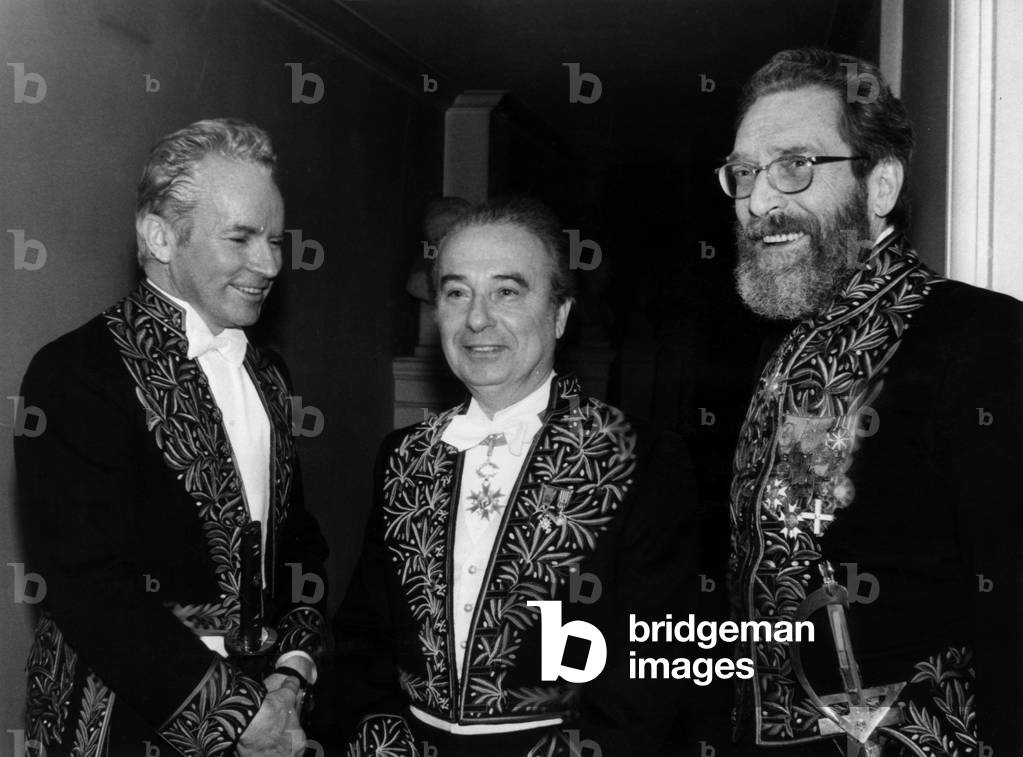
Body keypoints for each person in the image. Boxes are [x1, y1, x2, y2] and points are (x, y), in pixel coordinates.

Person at [718, 49, 1023, 755]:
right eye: (742, 173)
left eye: (793, 164)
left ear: (879, 184)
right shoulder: (778, 354)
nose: (759, 202)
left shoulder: (984, 341)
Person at [334, 197, 699, 756]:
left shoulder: (638, 458)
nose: (478, 318)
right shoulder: (403, 456)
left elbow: (654, 665)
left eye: (507, 291)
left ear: (559, 313)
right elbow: (364, 636)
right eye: (457, 293)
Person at [16, 118, 329, 757]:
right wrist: (244, 718)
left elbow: (297, 542)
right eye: (240, 237)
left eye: (274, 239)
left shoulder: (268, 374)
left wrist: (293, 671)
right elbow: (85, 584)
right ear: (160, 236)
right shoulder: (75, 371)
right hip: (118, 720)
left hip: (271, 701)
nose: (269, 263)